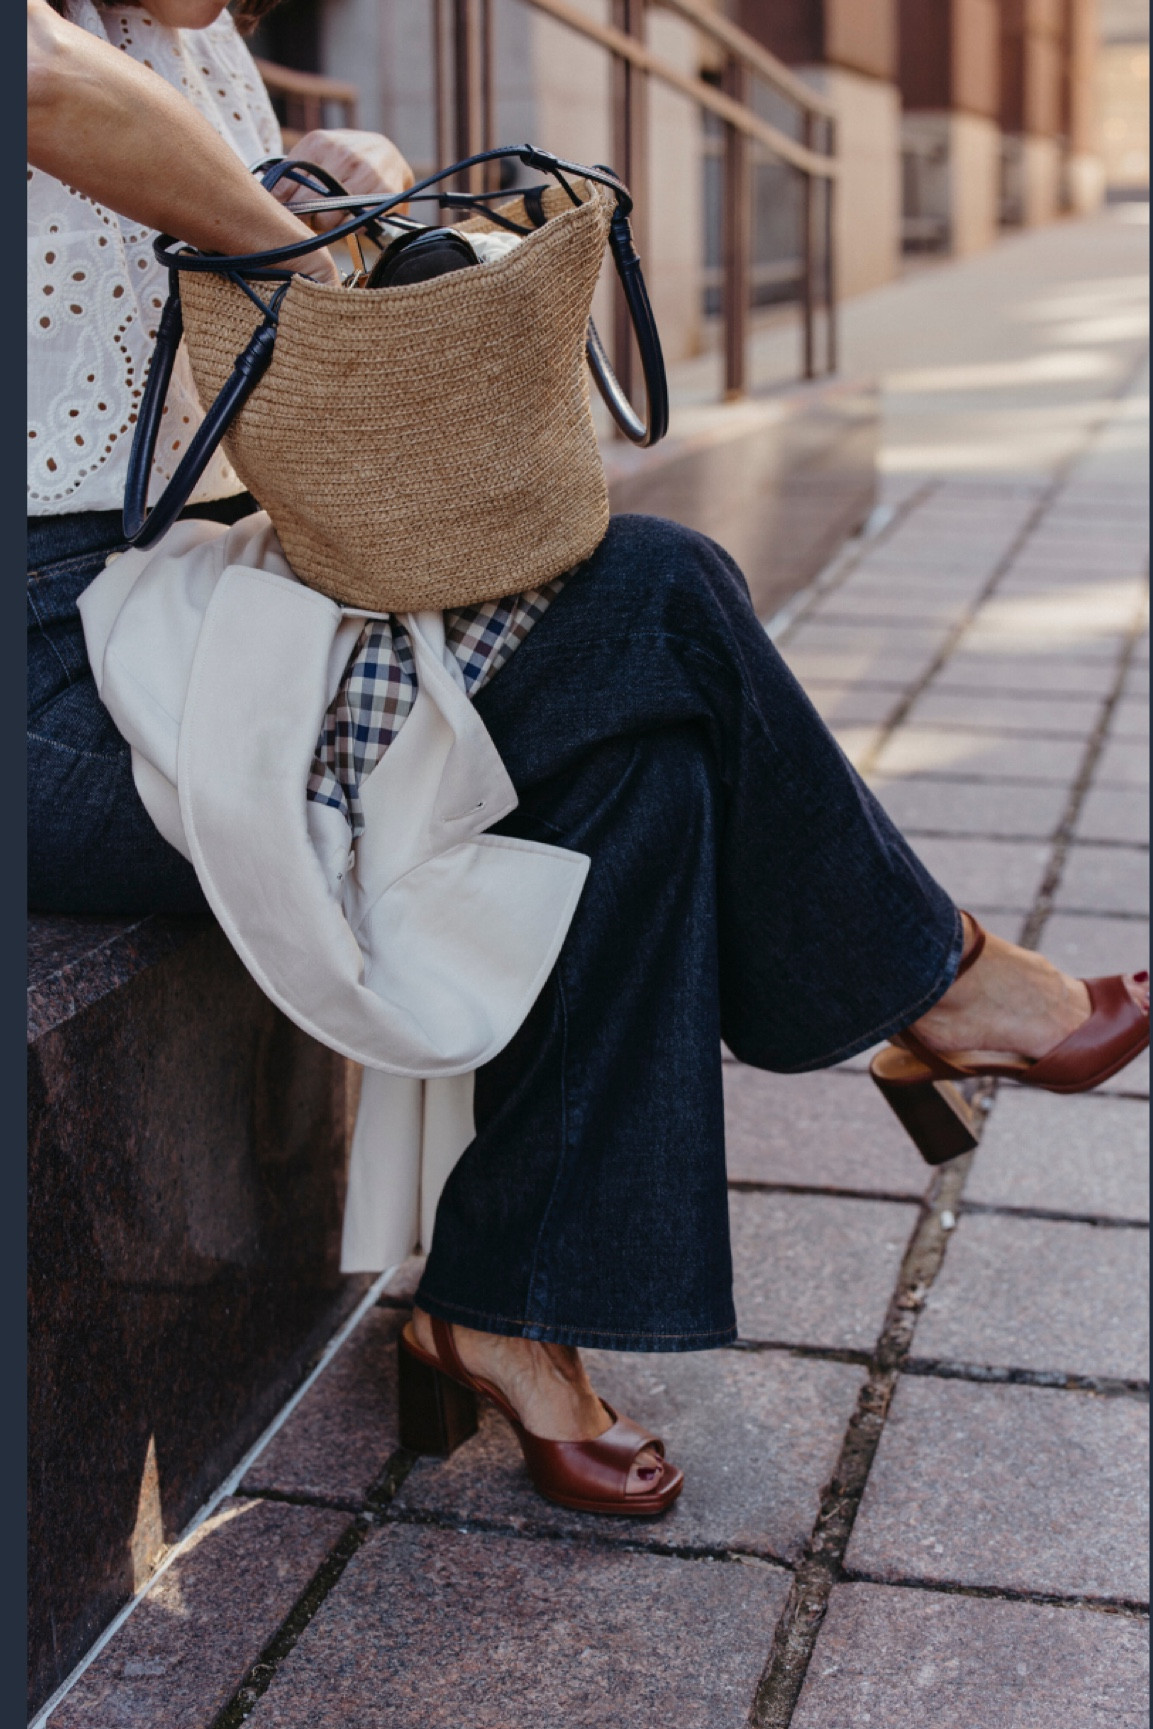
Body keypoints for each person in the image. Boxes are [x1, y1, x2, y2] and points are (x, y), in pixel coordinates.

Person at [28, 0, 1149, 1517]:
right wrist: (281, 240)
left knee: (649, 762)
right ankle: (927, 983)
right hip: (57, 679)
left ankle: (497, 1301)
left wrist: (310, 169)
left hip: (189, 589)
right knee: (662, 598)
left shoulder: (180, 40)